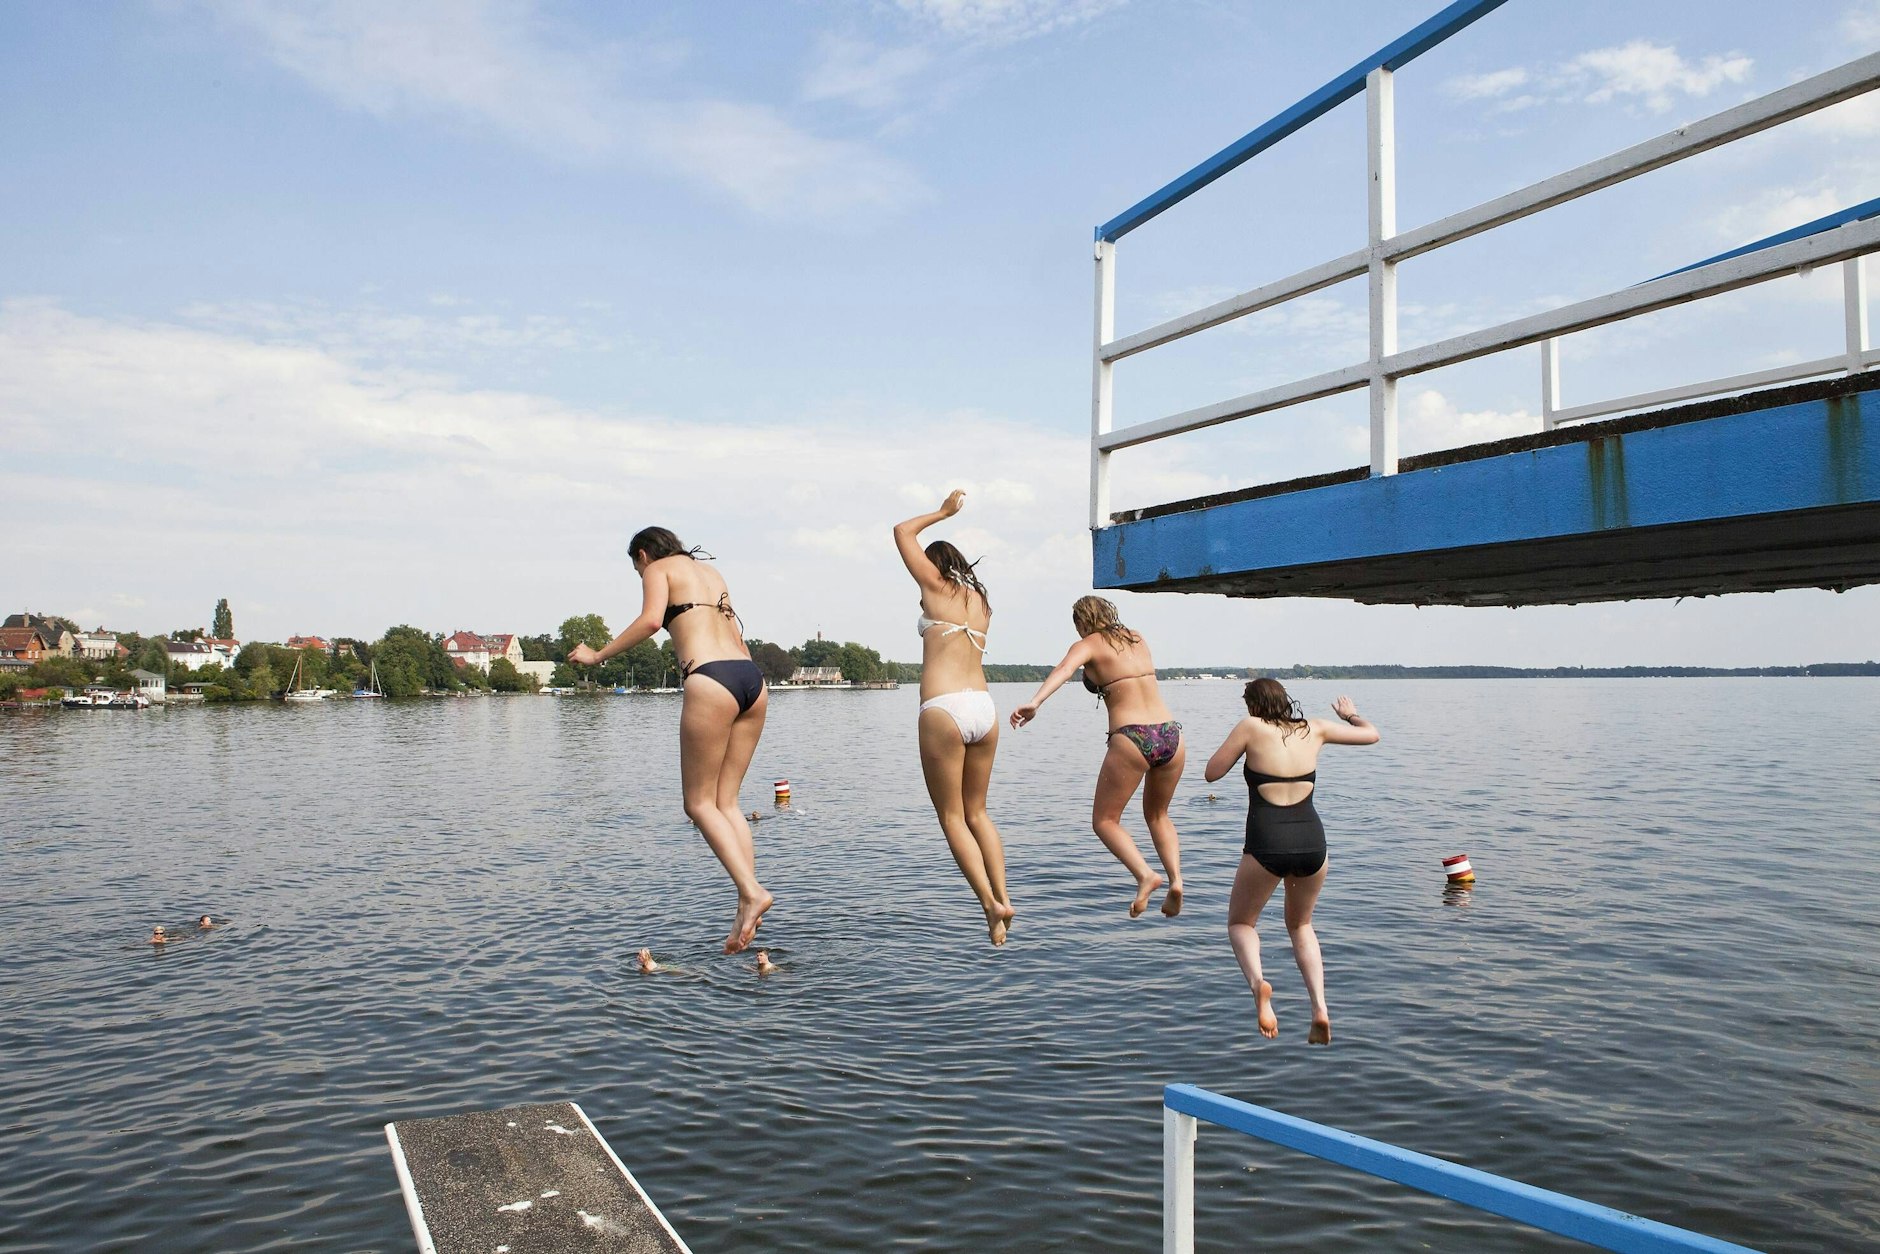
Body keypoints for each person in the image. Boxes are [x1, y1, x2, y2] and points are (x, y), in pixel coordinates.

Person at [568, 527, 772, 953]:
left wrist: (598, 655)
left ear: (643, 554)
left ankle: (752, 893)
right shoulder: (709, 574)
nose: (639, 571)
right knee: (728, 802)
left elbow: (650, 621)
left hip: (711, 679)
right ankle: (745, 902)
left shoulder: (657, 568)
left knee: (698, 803)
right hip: (751, 680)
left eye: (636, 565)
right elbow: (739, 636)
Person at [1204, 680, 1378, 1044]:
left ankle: (1258, 986)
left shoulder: (1250, 727)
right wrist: (1350, 715)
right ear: (1284, 701)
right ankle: (1319, 1007)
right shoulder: (1315, 728)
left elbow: (1212, 772)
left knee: (1240, 923)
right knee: (1301, 925)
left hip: (1267, 842)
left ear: (1253, 705)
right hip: (1313, 843)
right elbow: (1371, 735)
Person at [1011, 596, 1185, 918]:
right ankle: (1176, 879)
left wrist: (1035, 702)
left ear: (1081, 622)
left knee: (1104, 821)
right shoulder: (1137, 637)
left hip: (1133, 736)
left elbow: (1064, 670)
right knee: (1158, 815)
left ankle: (1146, 875)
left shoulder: (1087, 644)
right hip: (1171, 734)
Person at [894, 490, 1014, 946]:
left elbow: (901, 531)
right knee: (978, 812)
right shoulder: (980, 604)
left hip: (943, 708)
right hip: (984, 708)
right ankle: (1004, 895)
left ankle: (989, 904)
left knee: (951, 817)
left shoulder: (935, 588)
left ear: (934, 567)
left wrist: (942, 514)